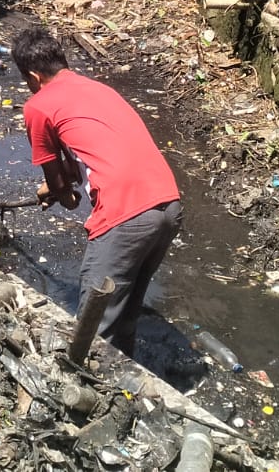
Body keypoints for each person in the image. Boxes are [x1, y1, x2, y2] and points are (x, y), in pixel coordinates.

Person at [16, 25, 182, 358]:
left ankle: (84, 392)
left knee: (93, 322)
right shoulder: (99, 90)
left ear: (33, 77)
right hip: (168, 204)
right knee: (126, 309)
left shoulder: (38, 106)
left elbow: (65, 190)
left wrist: (59, 193)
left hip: (126, 213)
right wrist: (60, 185)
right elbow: (94, 155)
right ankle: (124, 384)